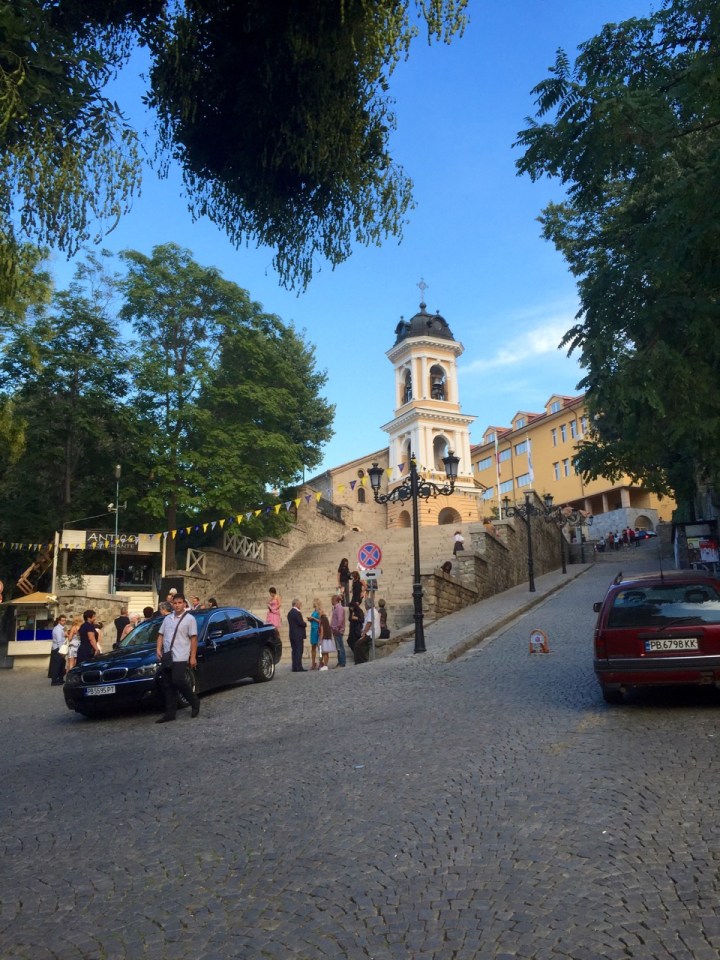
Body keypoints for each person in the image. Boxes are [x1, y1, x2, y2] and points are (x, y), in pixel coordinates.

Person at [155, 593, 201, 723]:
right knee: (168, 684)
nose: (177, 605)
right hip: (168, 656)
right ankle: (170, 713)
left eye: (180, 603)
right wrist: (158, 649)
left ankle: (194, 701)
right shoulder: (167, 619)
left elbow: (193, 639)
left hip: (181, 655)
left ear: (184, 604)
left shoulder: (190, 619)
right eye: (175, 603)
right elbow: (160, 634)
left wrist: (193, 657)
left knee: (178, 680)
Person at [354, 600, 380, 665]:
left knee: (357, 644)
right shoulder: (371, 611)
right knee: (361, 643)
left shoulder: (372, 612)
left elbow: (369, 623)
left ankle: (361, 661)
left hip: (372, 633)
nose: (365, 605)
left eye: (365, 604)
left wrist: (363, 633)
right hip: (369, 632)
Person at [287, 599, 307, 672]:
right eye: (299, 604)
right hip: (298, 634)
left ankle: (294, 666)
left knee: (294, 651)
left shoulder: (290, 613)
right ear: (296, 604)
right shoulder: (297, 613)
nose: (300, 605)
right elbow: (300, 623)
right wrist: (305, 623)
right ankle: (299, 667)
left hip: (292, 634)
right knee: (299, 650)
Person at [49, 614, 67, 685]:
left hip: (59, 648)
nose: (64, 622)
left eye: (65, 621)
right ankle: (54, 681)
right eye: (63, 621)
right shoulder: (58, 629)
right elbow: (59, 641)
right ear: (59, 621)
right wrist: (62, 651)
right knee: (56, 665)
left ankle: (60, 679)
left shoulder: (61, 628)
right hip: (58, 649)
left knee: (61, 664)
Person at [330, 594, 347, 667]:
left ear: (334, 600)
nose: (331, 601)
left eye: (331, 600)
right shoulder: (335, 608)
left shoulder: (339, 608)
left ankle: (342, 662)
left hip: (338, 630)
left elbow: (340, 620)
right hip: (335, 630)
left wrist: (336, 629)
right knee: (338, 647)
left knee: (340, 647)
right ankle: (340, 661)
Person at [307, 599, 321, 669]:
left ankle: (321, 662)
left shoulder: (319, 611)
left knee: (319, 647)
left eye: (313, 602)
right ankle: (313, 663)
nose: (312, 603)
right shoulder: (314, 611)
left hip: (317, 630)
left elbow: (321, 621)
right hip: (313, 629)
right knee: (313, 647)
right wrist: (310, 619)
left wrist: (313, 618)